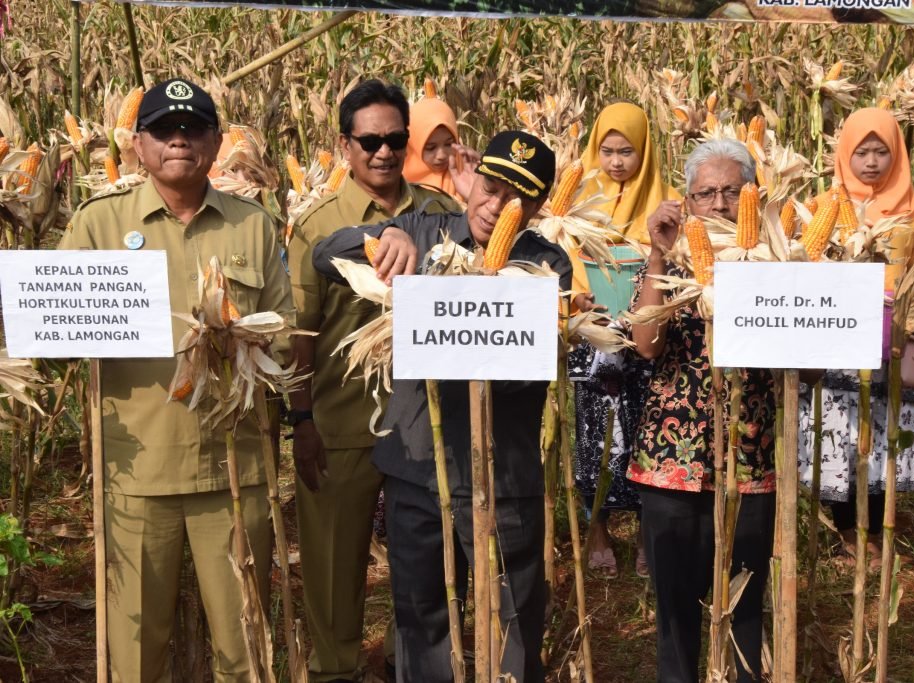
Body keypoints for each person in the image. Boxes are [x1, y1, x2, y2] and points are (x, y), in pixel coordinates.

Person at [311, 131, 571, 683]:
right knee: (421, 615)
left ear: (540, 206)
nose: (495, 204)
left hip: (503, 477)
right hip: (417, 470)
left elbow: (526, 380)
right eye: (491, 185)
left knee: (513, 623)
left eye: (516, 197)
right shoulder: (422, 230)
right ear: (470, 178)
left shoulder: (547, 267)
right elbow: (323, 254)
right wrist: (377, 237)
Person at [60, 78, 294, 682]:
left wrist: (243, 338)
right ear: (138, 144)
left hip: (232, 468)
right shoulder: (98, 225)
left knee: (244, 646)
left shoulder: (253, 226)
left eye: (193, 130)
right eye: (163, 130)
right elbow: (56, 329)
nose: (179, 141)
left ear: (216, 144)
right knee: (135, 650)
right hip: (137, 474)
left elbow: (286, 337)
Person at [286, 79, 459, 683]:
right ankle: (334, 669)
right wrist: (301, 420)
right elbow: (299, 334)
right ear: (345, 145)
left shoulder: (443, 215)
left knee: (427, 566)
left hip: (424, 427)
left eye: (393, 139)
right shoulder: (317, 225)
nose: (383, 152)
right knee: (335, 570)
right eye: (369, 142)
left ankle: (400, 662)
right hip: (341, 422)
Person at [629, 138, 775, 683]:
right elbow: (644, 344)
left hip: (751, 460)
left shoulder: (776, 263)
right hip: (672, 464)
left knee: (745, 600)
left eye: (731, 192)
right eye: (704, 193)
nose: (718, 204)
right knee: (675, 605)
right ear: (685, 203)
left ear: (754, 198)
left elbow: (806, 369)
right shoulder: (665, 264)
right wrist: (660, 252)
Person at [798, 107, 914, 570]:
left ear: (898, 154)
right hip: (838, 334)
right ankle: (848, 531)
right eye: (861, 152)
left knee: (881, 433)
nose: (871, 162)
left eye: (882, 151)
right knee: (842, 435)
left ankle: (878, 527)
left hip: (894, 335)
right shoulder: (822, 205)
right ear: (843, 155)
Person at [569, 102, 681, 578]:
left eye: (627, 152)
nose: (616, 162)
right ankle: (596, 527)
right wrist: (578, 300)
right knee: (594, 438)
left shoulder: (667, 199)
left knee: (642, 434)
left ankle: (641, 533)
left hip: (646, 337)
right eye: (607, 151)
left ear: (646, 152)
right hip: (593, 334)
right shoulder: (578, 198)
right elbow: (567, 256)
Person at [404, 97, 479, 202]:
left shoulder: (469, 174)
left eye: (449, 144)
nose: (442, 155)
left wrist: (476, 195)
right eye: (431, 148)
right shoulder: (396, 186)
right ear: (413, 146)